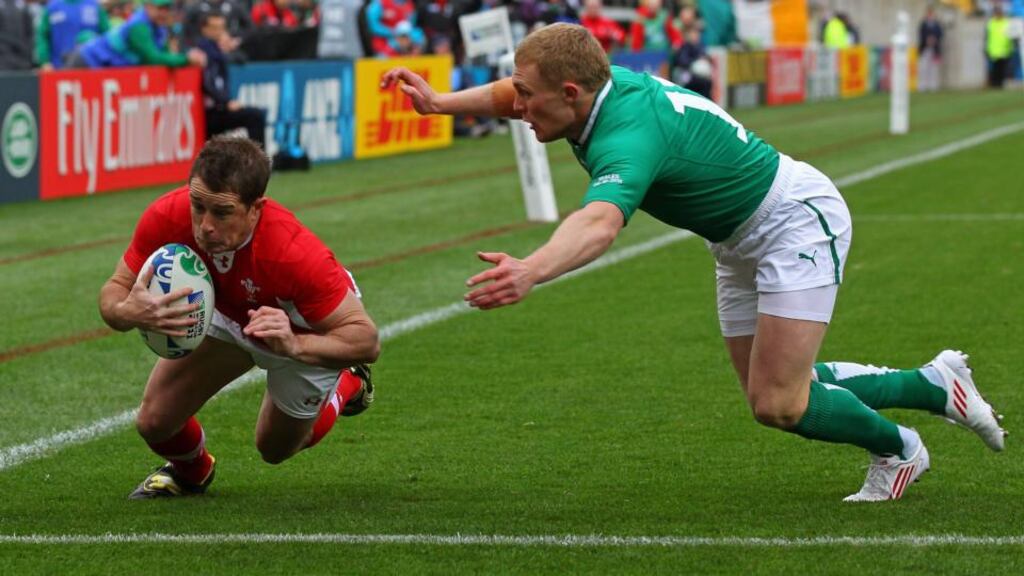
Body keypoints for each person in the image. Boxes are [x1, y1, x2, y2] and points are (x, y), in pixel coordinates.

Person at [380, 23, 1007, 502]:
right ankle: (932, 384)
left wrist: (531, 269)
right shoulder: (593, 87)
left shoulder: (627, 133)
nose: (517, 106)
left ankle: (900, 449)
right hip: (734, 238)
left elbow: (599, 224)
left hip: (792, 220)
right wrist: (439, 104)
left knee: (784, 401)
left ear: (570, 93)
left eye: (527, 96)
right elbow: (508, 92)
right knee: (770, 399)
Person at [98, 137, 380, 499]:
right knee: (155, 422)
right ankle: (192, 472)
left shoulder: (295, 254)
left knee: (275, 449)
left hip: (305, 330)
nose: (205, 226)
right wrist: (126, 312)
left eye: (222, 212)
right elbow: (115, 288)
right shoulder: (167, 215)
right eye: (197, 206)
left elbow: (366, 341)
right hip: (231, 312)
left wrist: (295, 344)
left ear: (255, 209)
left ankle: (348, 383)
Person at [195, 13, 267, 146]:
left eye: (221, 28)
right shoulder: (203, 51)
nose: (219, 32)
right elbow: (207, 83)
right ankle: (258, 163)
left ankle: (256, 162)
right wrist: (225, 102)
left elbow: (240, 58)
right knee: (255, 117)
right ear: (204, 29)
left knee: (256, 115)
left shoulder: (217, 51)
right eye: (215, 28)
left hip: (218, 108)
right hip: (210, 111)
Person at [69, 0, 206, 69]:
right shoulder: (139, 26)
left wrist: (186, 57)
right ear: (147, 6)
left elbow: (166, 54)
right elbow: (153, 59)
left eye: (167, 8)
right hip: (86, 61)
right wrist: (186, 59)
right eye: (159, 8)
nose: (163, 13)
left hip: (105, 66)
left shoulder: (159, 27)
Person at [35, 0, 110, 70]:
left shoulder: (94, 6)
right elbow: (43, 35)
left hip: (92, 67)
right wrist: (44, 61)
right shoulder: (52, 7)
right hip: (59, 67)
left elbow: (106, 35)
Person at [985, 3, 1014, 88]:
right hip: (994, 50)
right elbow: (987, 37)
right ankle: (994, 84)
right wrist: (986, 48)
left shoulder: (1007, 22)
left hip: (1005, 50)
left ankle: (1001, 84)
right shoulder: (991, 23)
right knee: (995, 69)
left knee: (1003, 69)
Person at [0, 0, 34, 70]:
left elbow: (29, 32)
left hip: (23, 59)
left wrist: (27, 51)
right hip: (3, 59)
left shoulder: (23, 6)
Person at [918, 6, 943, 92]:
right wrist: (927, 40)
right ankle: (923, 85)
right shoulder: (923, 24)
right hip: (925, 48)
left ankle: (933, 86)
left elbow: (940, 34)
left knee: (934, 68)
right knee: (924, 68)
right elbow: (921, 35)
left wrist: (934, 39)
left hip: (935, 49)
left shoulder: (937, 24)